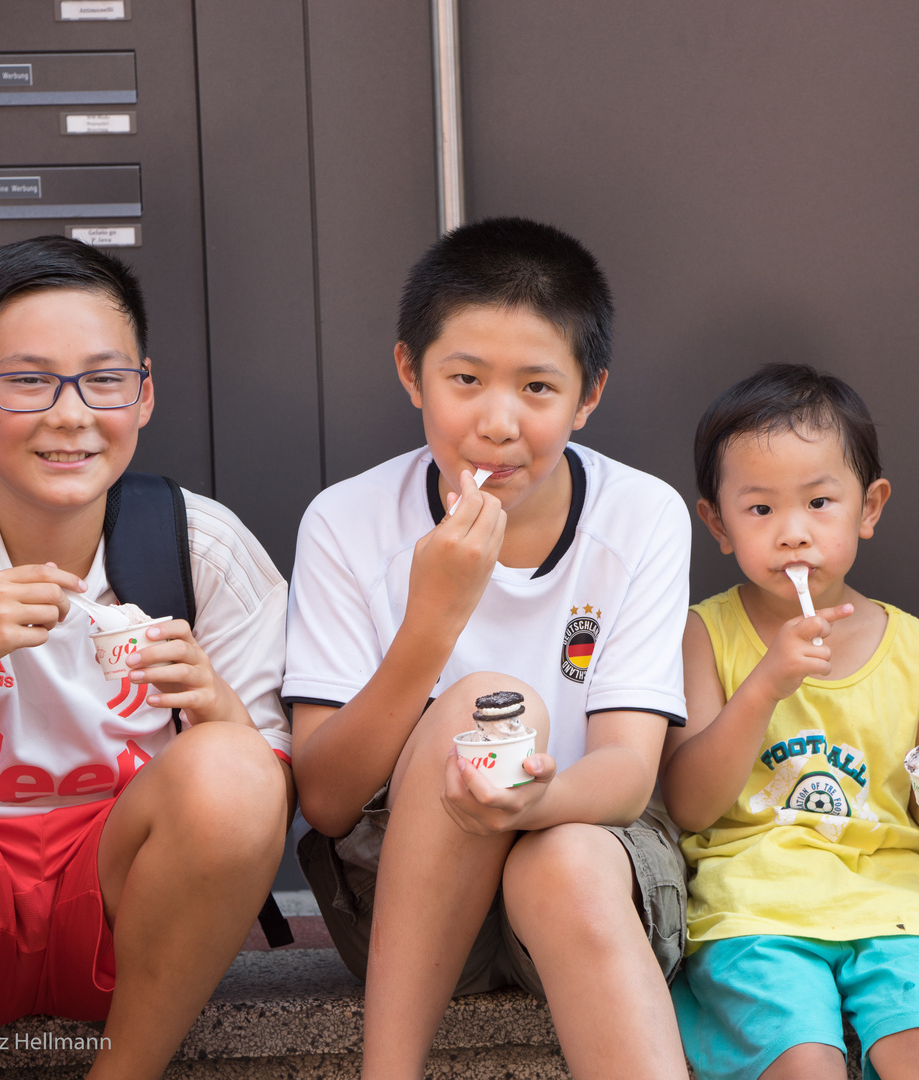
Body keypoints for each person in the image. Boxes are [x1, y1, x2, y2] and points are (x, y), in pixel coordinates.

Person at [0, 236, 293, 1080]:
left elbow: (273, 782)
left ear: (145, 393)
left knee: (234, 763)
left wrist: (215, 704)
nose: (70, 413)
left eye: (104, 379)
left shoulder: (202, 546)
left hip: (127, 922)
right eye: (28, 379)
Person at [285, 217, 692, 1079]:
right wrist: (432, 622)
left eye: (539, 389)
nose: (498, 423)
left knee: (569, 859)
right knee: (486, 704)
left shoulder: (641, 514)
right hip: (409, 898)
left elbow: (626, 770)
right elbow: (323, 799)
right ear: (411, 373)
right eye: (464, 379)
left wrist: (528, 808)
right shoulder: (346, 522)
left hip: (583, 865)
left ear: (588, 397)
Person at [662, 364, 919, 1080]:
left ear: (869, 508)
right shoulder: (704, 635)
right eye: (760, 511)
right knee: (803, 1065)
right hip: (755, 903)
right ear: (717, 524)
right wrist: (765, 684)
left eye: (820, 502)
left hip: (898, 901)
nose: (793, 534)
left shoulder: (915, 647)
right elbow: (690, 804)